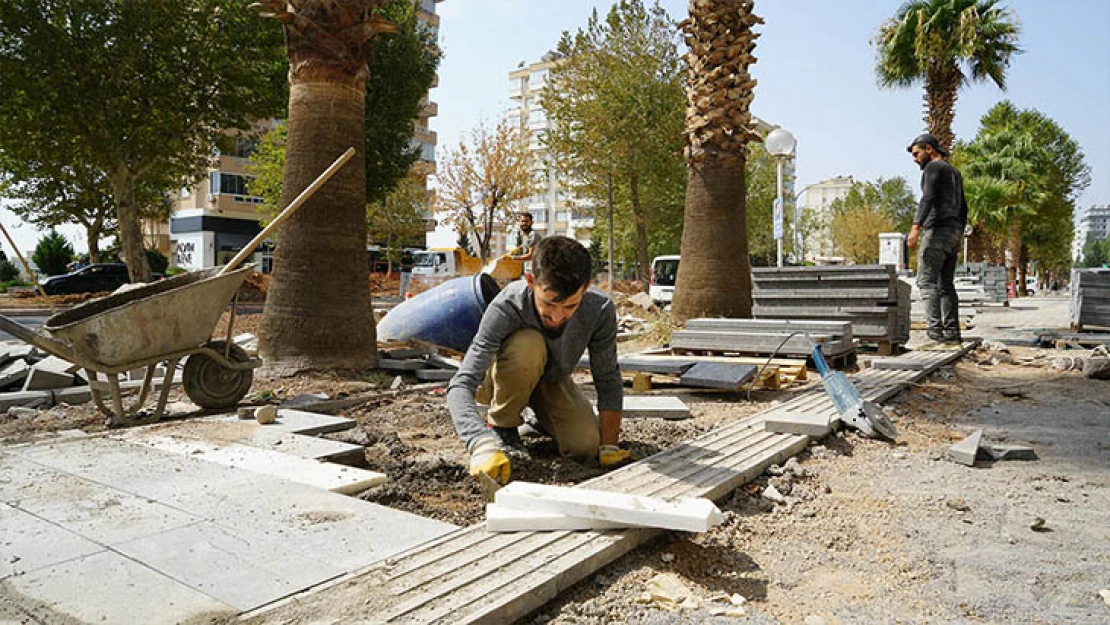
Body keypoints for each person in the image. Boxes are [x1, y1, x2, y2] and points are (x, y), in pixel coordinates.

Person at [447, 235, 632, 485]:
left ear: (586, 288)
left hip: (551, 380)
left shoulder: (599, 310)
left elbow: (608, 378)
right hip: (505, 377)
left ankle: (539, 422)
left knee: (585, 448)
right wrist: (478, 442)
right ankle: (503, 427)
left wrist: (609, 446)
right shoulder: (507, 306)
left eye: (570, 307)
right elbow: (461, 383)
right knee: (529, 344)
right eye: (549, 304)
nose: (557, 317)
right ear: (531, 281)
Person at [906, 133, 968, 344]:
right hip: (953, 231)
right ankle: (952, 333)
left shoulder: (933, 168)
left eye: (917, 153)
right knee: (946, 285)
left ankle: (934, 332)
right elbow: (964, 207)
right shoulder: (954, 172)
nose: (915, 159)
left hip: (937, 231)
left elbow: (928, 197)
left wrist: (916, 228)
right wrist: (957, 236)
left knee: (926, 281)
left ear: (929, 150)